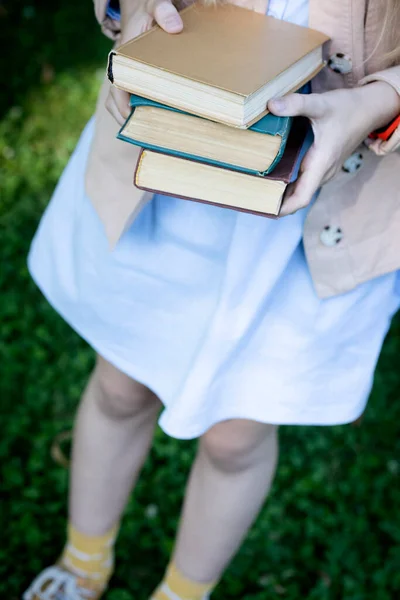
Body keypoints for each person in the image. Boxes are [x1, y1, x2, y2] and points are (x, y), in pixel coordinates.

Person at [24, 0, 400, 598]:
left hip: (321, 214)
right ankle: (82, 564)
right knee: (120, 385)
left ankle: (183, 592)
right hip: (172, 175)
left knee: (237, 436)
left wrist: (379, 102)